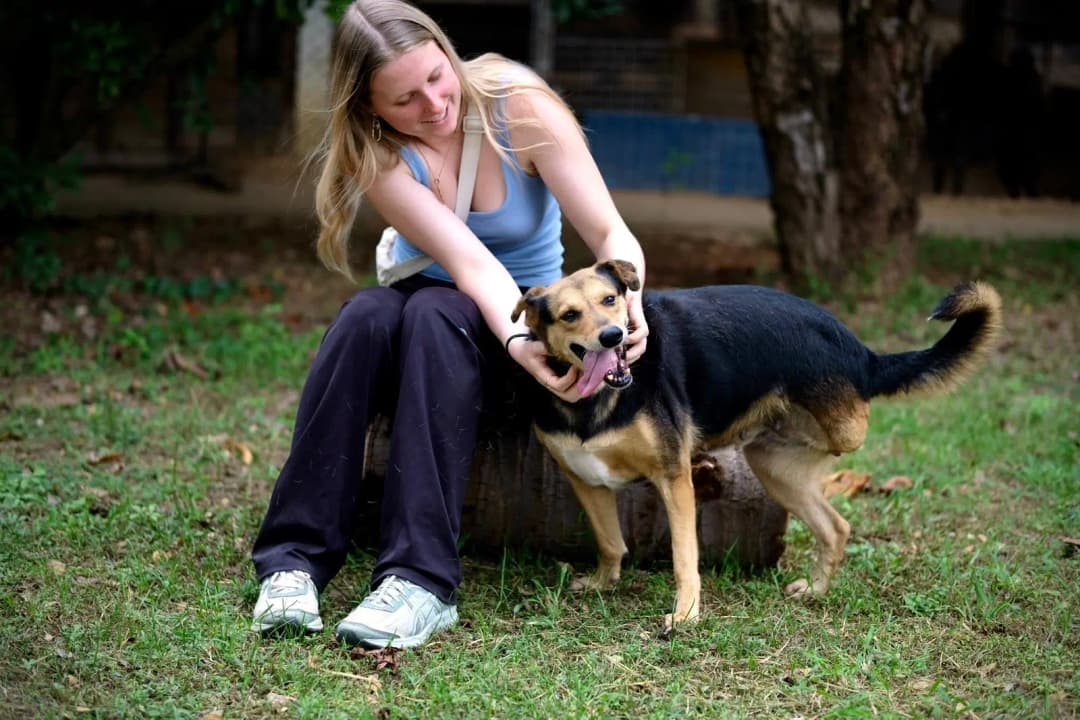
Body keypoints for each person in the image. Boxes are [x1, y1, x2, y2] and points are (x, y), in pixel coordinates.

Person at [250, 0, 648, 650]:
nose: (433, 105)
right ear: (371, 107)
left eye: (437, 77)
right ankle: (293, 560)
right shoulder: (377, 153)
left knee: (437, 313)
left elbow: (607, 231)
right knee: (362, 316)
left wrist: (628, 309)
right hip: (438, 308)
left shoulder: (519, 108)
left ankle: (421, 580)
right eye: (404, 99)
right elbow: (465, 261)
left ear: (447, 51)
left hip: (507, 321)